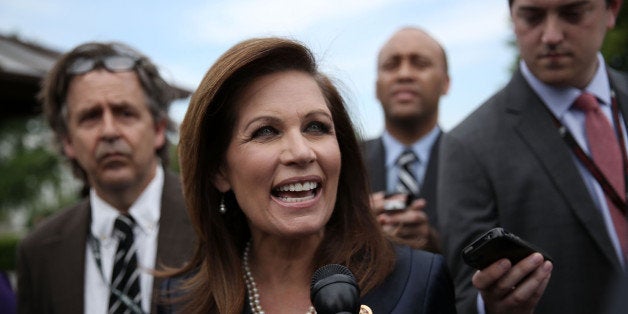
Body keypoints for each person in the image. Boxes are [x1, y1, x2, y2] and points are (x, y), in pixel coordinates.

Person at [158, 37, 457, 313]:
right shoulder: (178, 301)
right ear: (219, 171)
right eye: (266, 131)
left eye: (316, 127)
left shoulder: (420, 281)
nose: (301, 152)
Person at [438, 0, 625, 313]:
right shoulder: (467, 145)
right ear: (512, 18)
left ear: (612, 11)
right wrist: (491, 306)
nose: (551, 35)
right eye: (532, 17)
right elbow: (464, 295)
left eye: (572, 13)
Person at [16, 41, 195, 314]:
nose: (109, 131)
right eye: (90, 117)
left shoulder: (215, 222)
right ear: (67, 141)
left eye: (125, 113)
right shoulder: (39, 252)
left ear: (159, 129)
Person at [361, 27, 450, 252]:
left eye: (420, 64)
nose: (404, 74)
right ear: (376, 87)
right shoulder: (344, 162)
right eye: (391, 65)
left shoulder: (475, 161)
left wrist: (432, 243)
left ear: (446, 83)